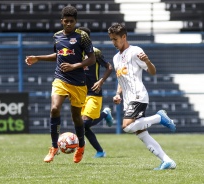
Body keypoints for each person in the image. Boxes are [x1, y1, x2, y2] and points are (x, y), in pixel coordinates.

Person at [25, 6, 96, 163]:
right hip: (61, 79)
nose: (69, 23)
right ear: (61, 21)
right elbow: (58, 55)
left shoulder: (82, 36)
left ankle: (81, 146)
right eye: (66, 21)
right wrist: (38, 57)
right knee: (54, 109)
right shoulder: (57, 36)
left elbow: (92, 59)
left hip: (78, 82)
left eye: (72, 21)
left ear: (76, 21)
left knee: (76, 117)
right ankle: (53, 148)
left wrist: (74, 66)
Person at [108, 23, 177, 170]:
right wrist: (117, 94)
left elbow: (152, 71)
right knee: (140, 133)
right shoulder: (116, 58)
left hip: (138, 95)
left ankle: (159, 117)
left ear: (124, 37)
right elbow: (121, 79)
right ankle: (167, 160)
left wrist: (147, 61)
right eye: (111, 39)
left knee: (126, 127)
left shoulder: (135, 51)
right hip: (128, 100)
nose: (113, 42)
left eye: (115, 39)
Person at [77, 27, 114, 158]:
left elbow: (109, 67)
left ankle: (105, 114)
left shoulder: (95, 52)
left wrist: (101, 81)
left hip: (94, 92)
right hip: (80, 93)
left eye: (82, 36)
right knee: (83, 127)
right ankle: (100, 151)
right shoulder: (75, 52)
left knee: (84, 123)